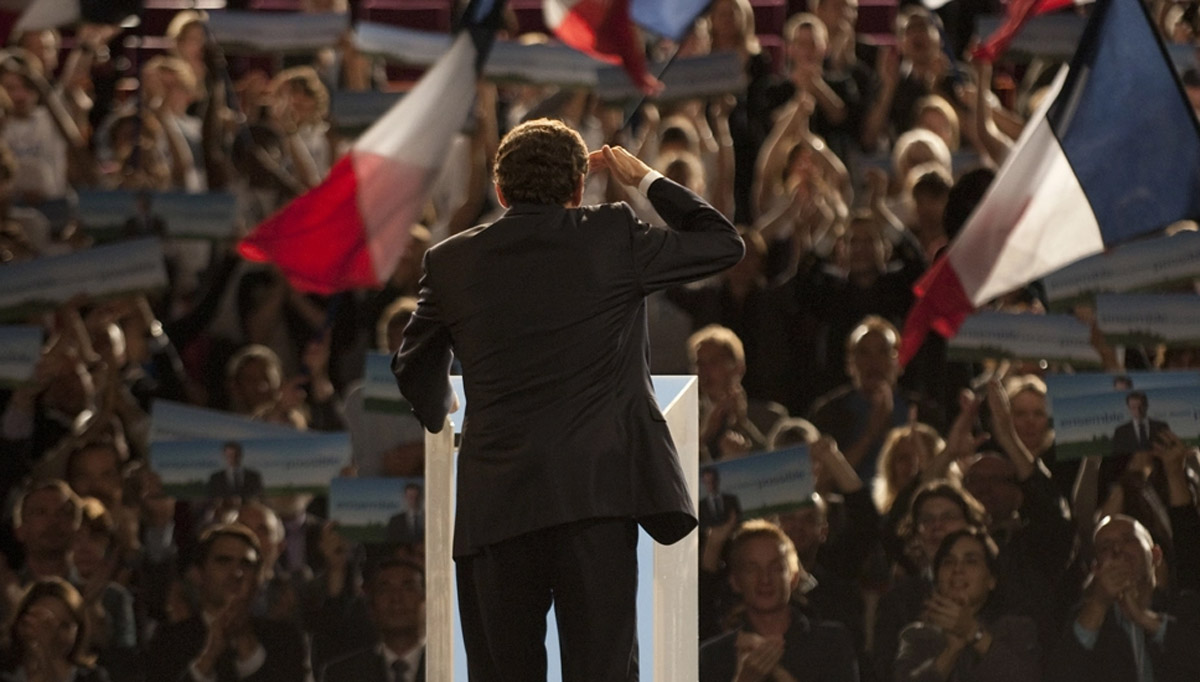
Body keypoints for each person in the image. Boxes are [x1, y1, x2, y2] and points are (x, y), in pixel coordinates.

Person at [393, 118, 744, 681]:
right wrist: (644, 177)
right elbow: (722, 242)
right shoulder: (612, 235)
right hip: (596, 501)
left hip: (497, 506)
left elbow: (413, 367)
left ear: (501, 191)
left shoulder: (451, 260)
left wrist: (442, 414)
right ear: (579, 189)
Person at [698, 519, 858, 682]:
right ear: (735, 581)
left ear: (793, 577)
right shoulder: (713, 656)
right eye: (752, 569)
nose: (765, 579)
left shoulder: (831, 642)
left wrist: (775, 671)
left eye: (776, 568)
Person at [145, 523, 308, 682]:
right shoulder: (169, 640)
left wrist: (249, 651)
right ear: (199, 574)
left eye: (246, 564)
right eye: (223, 561)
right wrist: (207, 659)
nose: (237, 573)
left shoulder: (284, 639)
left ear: (258, 579)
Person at [1047, 514, 1200, 682]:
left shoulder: (1186, 607)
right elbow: (1061, 673)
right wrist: (1098, 604)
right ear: (1096, 568)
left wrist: (1144, 618)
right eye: (1105, 547)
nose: (1117, 550)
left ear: (1156, 555)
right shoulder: (1085, 618)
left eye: (1128, 540)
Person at [894, 528, 1040, 682]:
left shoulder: (1015, 629)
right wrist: (951, 652)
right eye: (948, 562)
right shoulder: (917, 636)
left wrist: (973, 632)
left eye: (971, 561)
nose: (957, 569)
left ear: (991, 580)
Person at [319, 558, 426, 682]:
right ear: (371, 607)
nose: (396, 598)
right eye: (385, 590)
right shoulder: (341, 674)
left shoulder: (449, 664)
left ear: (426, 600)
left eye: (408, 588)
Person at [0, 578, 110, 682]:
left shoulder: (92, 678)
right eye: (45, 623)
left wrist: (47, 656)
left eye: (64, 625)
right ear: (21, 622)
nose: (52, 633)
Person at [1111, 391, 1171, 457]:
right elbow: (1116, 456)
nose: (1138, 411)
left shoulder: (1161, 427)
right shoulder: (1120, 432)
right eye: (1133, 407)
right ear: (1128, 408)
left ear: (1146, 406)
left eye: (1140, 406)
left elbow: (1171, 451)